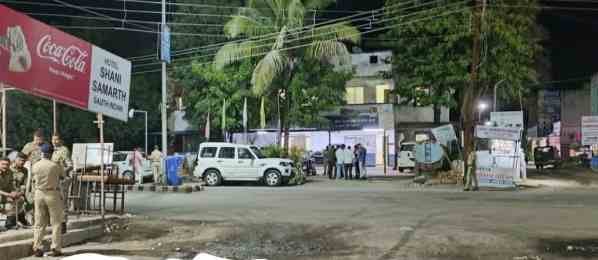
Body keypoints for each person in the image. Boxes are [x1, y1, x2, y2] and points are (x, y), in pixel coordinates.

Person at [32, 144, 65, 257]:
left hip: (39, 193)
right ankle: (55, 248)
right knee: (56, 222)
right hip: (52, 194)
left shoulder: (35, 165)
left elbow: (33, 178)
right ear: (51, 154)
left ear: (42, 153)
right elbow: (63, 176)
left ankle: (37, 247)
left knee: (39, 223)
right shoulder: (55, 165)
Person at [51, 133, 71, 234]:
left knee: (62, 202)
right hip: (52, 180)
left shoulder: (64, 150)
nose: (54, 141)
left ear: (60, 140)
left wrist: (61, 173)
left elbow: (69, 165)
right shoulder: (52, 151)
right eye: (53, 139)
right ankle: (55, 224)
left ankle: (63, 224)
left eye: (56, 140)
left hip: (61, 180)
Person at [0, 157, 25, 230]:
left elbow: (10, 185)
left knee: (20, 200)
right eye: (3, 164)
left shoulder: (10, 172)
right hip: (2, 194)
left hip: (4, 194)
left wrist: (14, 192)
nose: (5, 166)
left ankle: (10, 223)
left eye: (7, 164)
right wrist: (9, 195)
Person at [10, 153, 31, 226]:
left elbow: (23, 184)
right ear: (15, 159)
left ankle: (20, 217)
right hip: (7, 192)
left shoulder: (25, 170)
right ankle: (12, 220)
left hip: (18, 192)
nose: (22, 162)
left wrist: (21, 192)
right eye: (20, 160)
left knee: (29, 203)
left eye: (24, 161)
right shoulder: (8, 168)